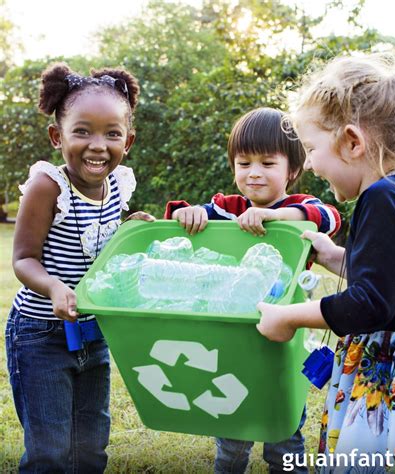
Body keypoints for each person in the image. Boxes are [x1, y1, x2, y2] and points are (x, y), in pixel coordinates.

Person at [257, 53, 395, 472]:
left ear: (352, 142)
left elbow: (370, 305)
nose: (311, 164)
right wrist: (334, 256)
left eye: (312, 149)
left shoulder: (381, 197)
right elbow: (394, 281)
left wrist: (288, 317)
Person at [165, 107, 341, 473]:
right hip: (232, 336)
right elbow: (186, 218)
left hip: (283, 340)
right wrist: (189, 214)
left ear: (291, 170)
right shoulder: (229, 209)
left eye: (267, 163)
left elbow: (326, 216)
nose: (254, 173)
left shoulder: (298, 208)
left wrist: (273, 216)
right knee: (231, 431)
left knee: (284, 434)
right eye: (243, 163)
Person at [6, 62, 153, 473]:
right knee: (50, 450)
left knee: (91, 444)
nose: (97, 145)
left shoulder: (119, 184)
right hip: (41, 336)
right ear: (58, 136)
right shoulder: (47, 186)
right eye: (82, 131)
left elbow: (100, 246)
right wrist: (53, 288)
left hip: (94, 333)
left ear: (129, 140)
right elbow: (23, 259)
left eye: (112, 133)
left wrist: (129, 230)